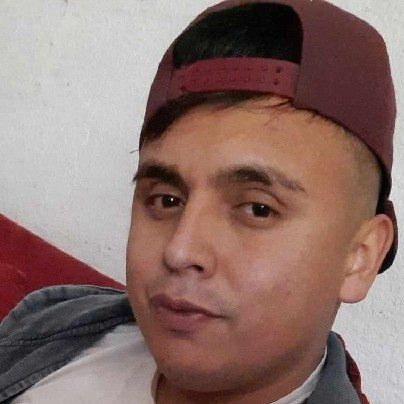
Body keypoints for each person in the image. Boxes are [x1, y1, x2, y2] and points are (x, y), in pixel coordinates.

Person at [0, 0, 398, 403]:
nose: (179, 251)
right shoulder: (51, 326)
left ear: (360, 256)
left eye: (257, 209)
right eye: (166, 200)